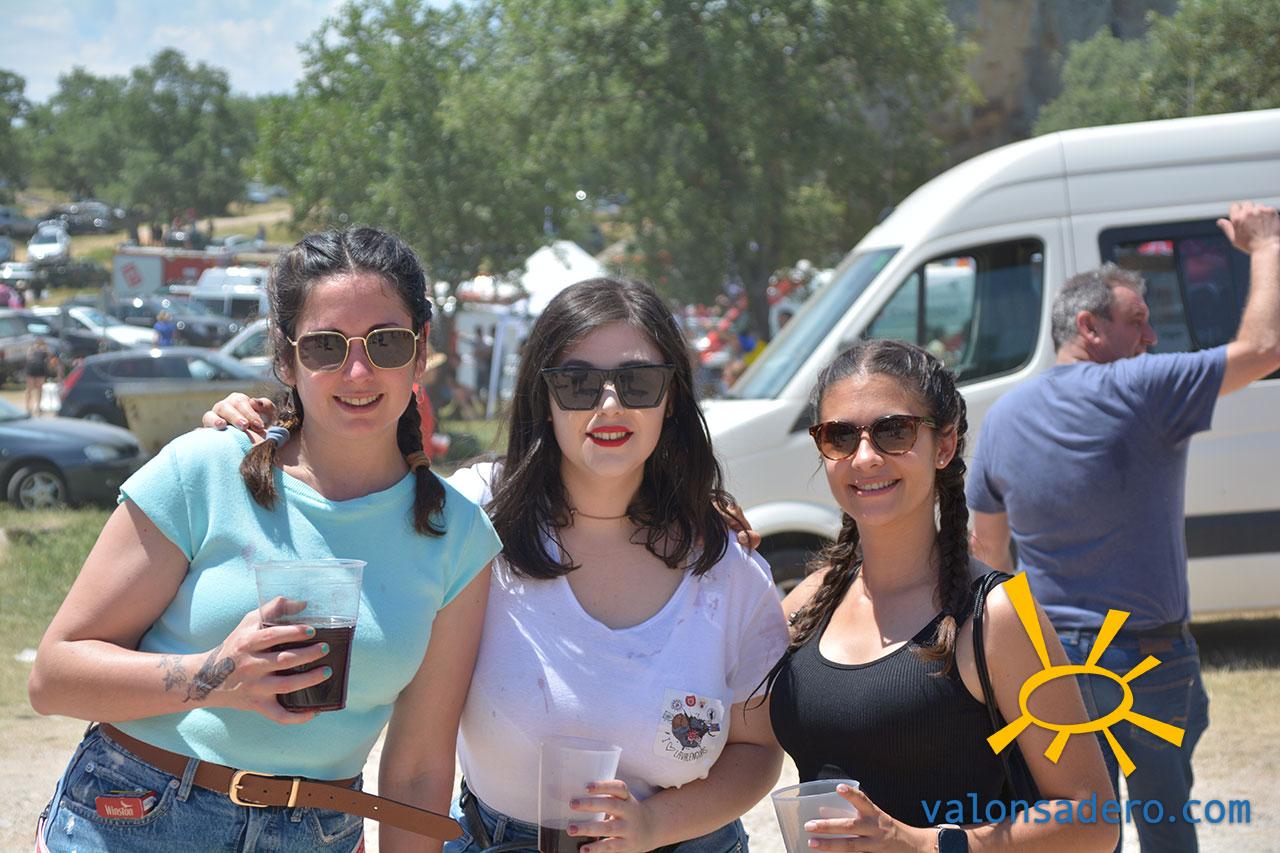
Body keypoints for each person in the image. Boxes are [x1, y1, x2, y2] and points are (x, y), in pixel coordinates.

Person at [206, 276, 790, 852]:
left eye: (639, 382)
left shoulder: (727, 567)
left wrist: (654, 826)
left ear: (672, 397)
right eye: (578, 384)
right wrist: (268, 429)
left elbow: (757, 750)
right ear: (544, 396)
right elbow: (350, 488)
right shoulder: (477, 513)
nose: (609, 405)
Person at [29, 227, 502, 853]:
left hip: (318, 833)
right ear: (286, 358)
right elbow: (54, 677)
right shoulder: (205, 469)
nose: (358, 370)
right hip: (137, 815)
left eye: (385, 342)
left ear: (420, 352)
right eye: (326, 346)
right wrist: (212, 676)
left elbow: (417, 771)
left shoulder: (457, 536)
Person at [967, 201, 1280, 851]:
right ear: (1089, 326)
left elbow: (987, 552)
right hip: (1147, 656)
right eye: (1137, 322)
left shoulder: (1003, 418)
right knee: (1166, 823)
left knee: (1082, 827)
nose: (1151, 338)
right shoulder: (1141, 388)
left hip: (1051, 661)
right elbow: (1263, 349)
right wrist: (1267, 247)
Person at [767, 339, 1117, 852]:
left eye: (894, 431)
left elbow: (1093, 820)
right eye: (839, 436)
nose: (865, 457)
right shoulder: (812, 600)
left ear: (945, 445)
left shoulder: (999, 612)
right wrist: (719, 556)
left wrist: (920, 843)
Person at [24, 338, 54, 416]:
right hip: (31, 370)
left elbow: (50, 358)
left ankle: (38, 407)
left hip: (40, 371)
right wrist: (34, 350)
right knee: (29, 389)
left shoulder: (45, 350)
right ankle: (28, 407)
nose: (39, 345)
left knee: (39, 389)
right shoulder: (32, 349)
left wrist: (45, 350)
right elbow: (28, 357)